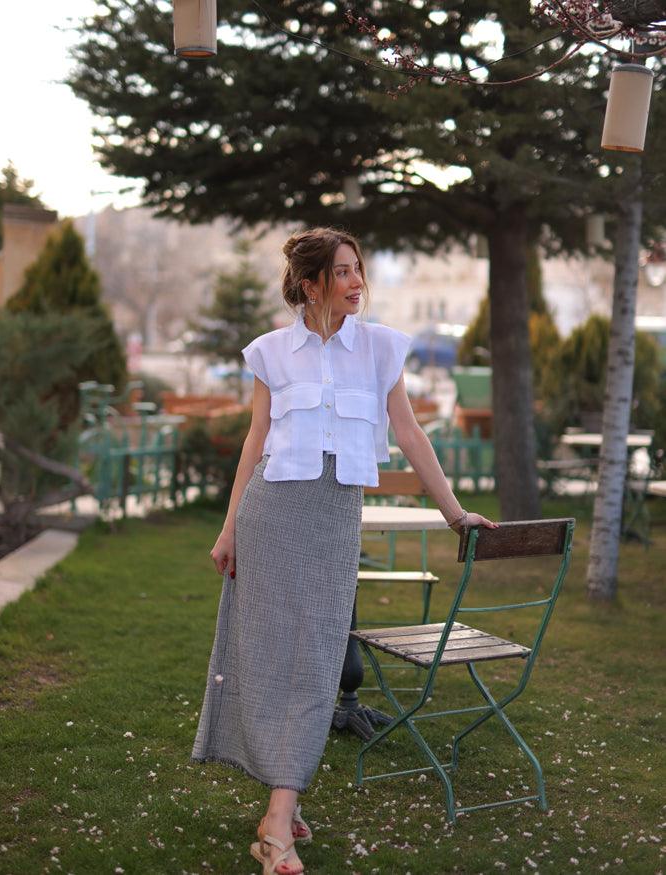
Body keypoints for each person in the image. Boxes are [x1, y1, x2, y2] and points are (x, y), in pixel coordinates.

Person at [191, 227, 497, 875]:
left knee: (318, 660)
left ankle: (280, 804)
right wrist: (227, 529)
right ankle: (280, 814)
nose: (358, 282)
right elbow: (254, 443)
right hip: (271, 515)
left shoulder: (382, 348)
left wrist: (453, 511)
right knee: (272, 654)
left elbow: (410, 433)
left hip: (333, 519)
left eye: (359, 270)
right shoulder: (271, 353)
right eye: (344, 272)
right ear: (311, 285)